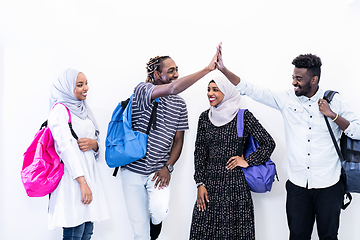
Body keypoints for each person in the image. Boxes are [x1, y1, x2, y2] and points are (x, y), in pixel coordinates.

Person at [216, 43, 360, 239]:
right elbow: (251, 90)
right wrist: (224, 70)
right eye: (293, 77)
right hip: (298, 185)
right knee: (297, 236)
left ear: (314, 79)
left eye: (299, 79)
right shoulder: (286, 99)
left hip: (329, 185)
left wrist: (332, 115)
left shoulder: (334, 100)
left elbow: (357, 131)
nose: (294, 82)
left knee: (329, 236)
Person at [120, 50, 219, 240]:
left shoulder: (180, 104)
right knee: (140, 232)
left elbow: (178, 140)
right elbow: (173, 88)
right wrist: (207, 69)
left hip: (158, 171)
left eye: (177, 70)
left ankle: (153, 227)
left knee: (159, 212)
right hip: (132, 170)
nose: (176, 75)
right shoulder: (142, 90)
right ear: (157, 74)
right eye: (171, 70)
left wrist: (168, 166)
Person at [189, 76, 276, 239]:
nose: (210, 93)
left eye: (215, 89)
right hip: (210, 188)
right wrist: (200, 183)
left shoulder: (243, 117)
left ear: (227, 92)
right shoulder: (204, 118)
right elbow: (200, 152)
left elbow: (268, 143)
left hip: (236, 189)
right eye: (208, 90)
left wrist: (248, 161)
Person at [48, 69, 109, 240]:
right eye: (79, 85)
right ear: (67, 88)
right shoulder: (60, 110)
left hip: (88, 175)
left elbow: (95, 138)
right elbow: (64, 148)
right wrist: (82, 182)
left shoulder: (83, 109)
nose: (86, 88)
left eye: (86, 83)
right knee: (75, 230)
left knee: (87, 231)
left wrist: (94, 144)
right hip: (73, 178)